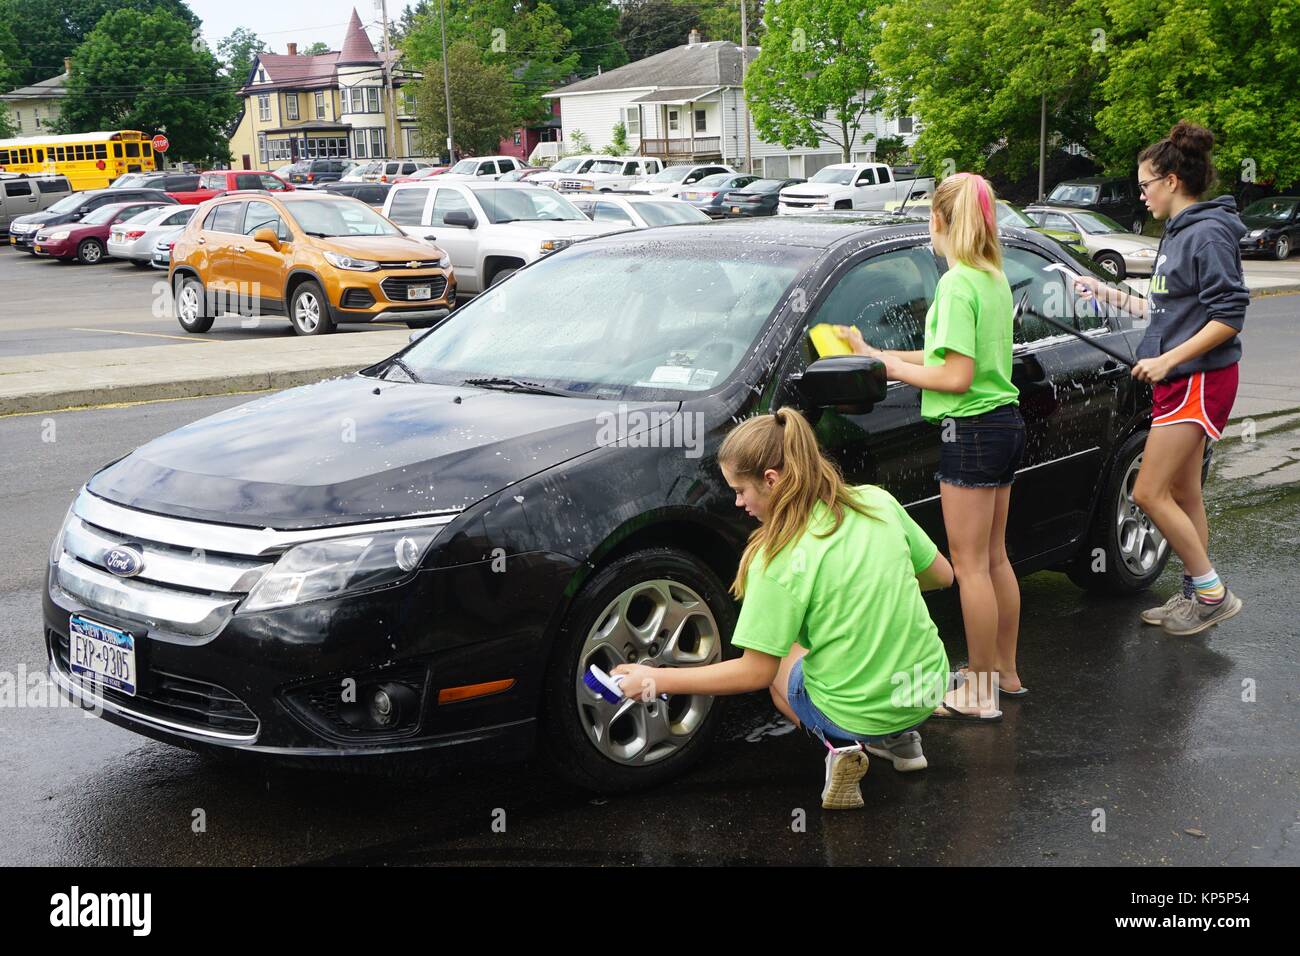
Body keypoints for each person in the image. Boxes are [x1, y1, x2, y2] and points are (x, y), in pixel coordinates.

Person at [612, 407, 954, 810]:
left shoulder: (777, 558)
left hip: (857, 713)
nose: (738, 502)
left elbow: (754, 672)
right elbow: (942, 576)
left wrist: (655, 679)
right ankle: (904, 743)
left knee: (782, 660)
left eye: (741, 490)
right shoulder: (876, 501)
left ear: (771, 480)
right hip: (926, 688)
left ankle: (842, 745)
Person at [834, 171, 1024, 720]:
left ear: (940, 221)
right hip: (1003, 424)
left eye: (929, 219)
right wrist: (880, 352)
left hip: (969, 433)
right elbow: (950, 358)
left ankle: (980, 691)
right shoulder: (991, 277)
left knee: (969, 568)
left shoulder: (956, 283)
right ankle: (1003, 674)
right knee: (994, 558)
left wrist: (891, 366)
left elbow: (956, 377)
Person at [1073, 121, 1247, 636]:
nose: (1141, 193)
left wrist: (1169, 361)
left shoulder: (1208, 233)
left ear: (1172, 181)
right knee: (1184, 492)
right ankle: (1196, 591)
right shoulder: (1179, 233)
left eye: (1145, 183)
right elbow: (1166, 310)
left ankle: (1211, 594)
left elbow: (1229, 315)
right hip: (1184, 379)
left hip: (1198, 380)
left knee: (1149, 493)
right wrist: (1102, 292)